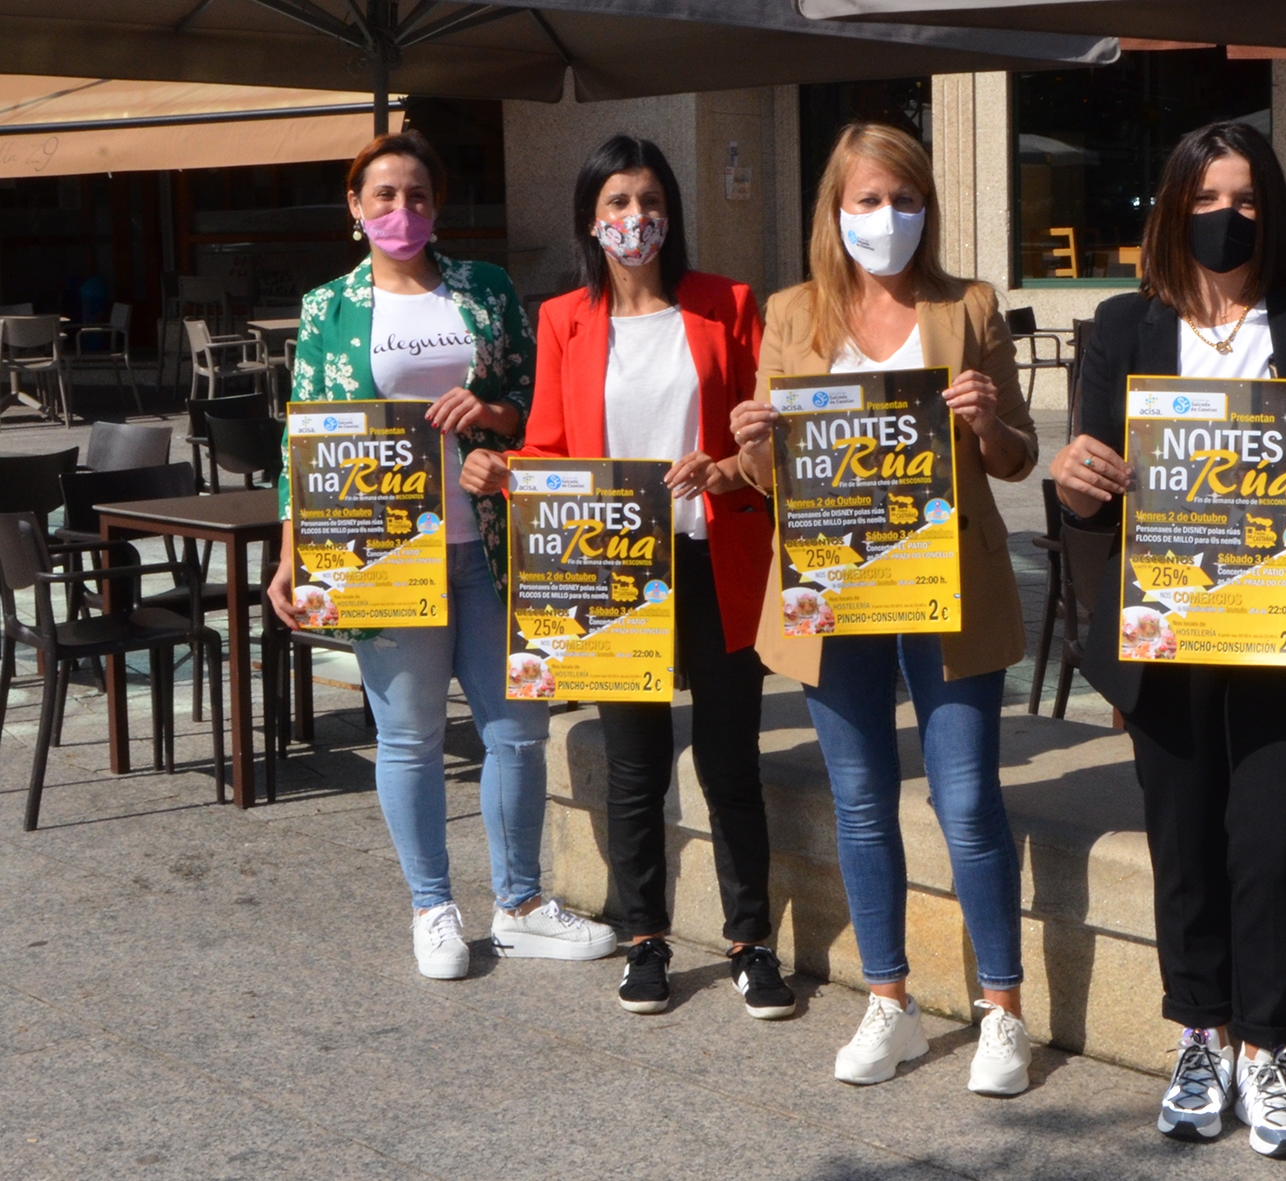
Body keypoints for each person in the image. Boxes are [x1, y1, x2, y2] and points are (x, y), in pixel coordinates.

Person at [1049, 122, 1286, 1159]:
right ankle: (1198, 1034)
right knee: (1183, 846)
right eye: (1206, 198)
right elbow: (1089, 490)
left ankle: (1267, 1046)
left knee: (1271, 844)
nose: (1226, 216)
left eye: (1246, 199)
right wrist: (1073, 481)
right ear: (1174, 209)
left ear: (1273, 208)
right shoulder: (1125, 324)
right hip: (1167, 630)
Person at [729, 123, 1039, 1096]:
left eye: (904, 199)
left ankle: (1002, 1009)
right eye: (868, 200)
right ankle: (889, 999)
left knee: (967, 802)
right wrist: (753, 442)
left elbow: (1019, 455)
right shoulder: (792, 313)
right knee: (860, 802)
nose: (887, 216)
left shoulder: (968, 304)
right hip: (834, 591)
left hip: (947, 587)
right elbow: (769, 476)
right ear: (835, 209)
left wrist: (986, 421)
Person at [269, 131, 617, 980]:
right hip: (383, 552)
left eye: (417, 194)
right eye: (384, 195)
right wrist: (290, 552)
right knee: (409, 736)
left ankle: (520, 902)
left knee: (519, 730)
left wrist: (491, 415)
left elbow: (539, 398)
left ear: (439, 205)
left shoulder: (484, 289)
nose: (402, 209)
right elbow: (302, 441)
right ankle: (432, 907)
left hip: (493, 544)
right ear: (355, 208)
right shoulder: (328, 308)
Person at [460, 136, 793, 1020]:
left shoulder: (728, 304)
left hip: (714, 553)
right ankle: (646, 936)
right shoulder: (563, 319)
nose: (634, 218)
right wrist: (501, 468)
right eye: (617, 202)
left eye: (649, 201)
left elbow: (766, 440)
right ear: (590, 219)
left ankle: (751, 940)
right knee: (634, 766)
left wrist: (728, 465)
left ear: (670, 213)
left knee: (730, 759)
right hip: (611, 567)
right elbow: (549, 447)